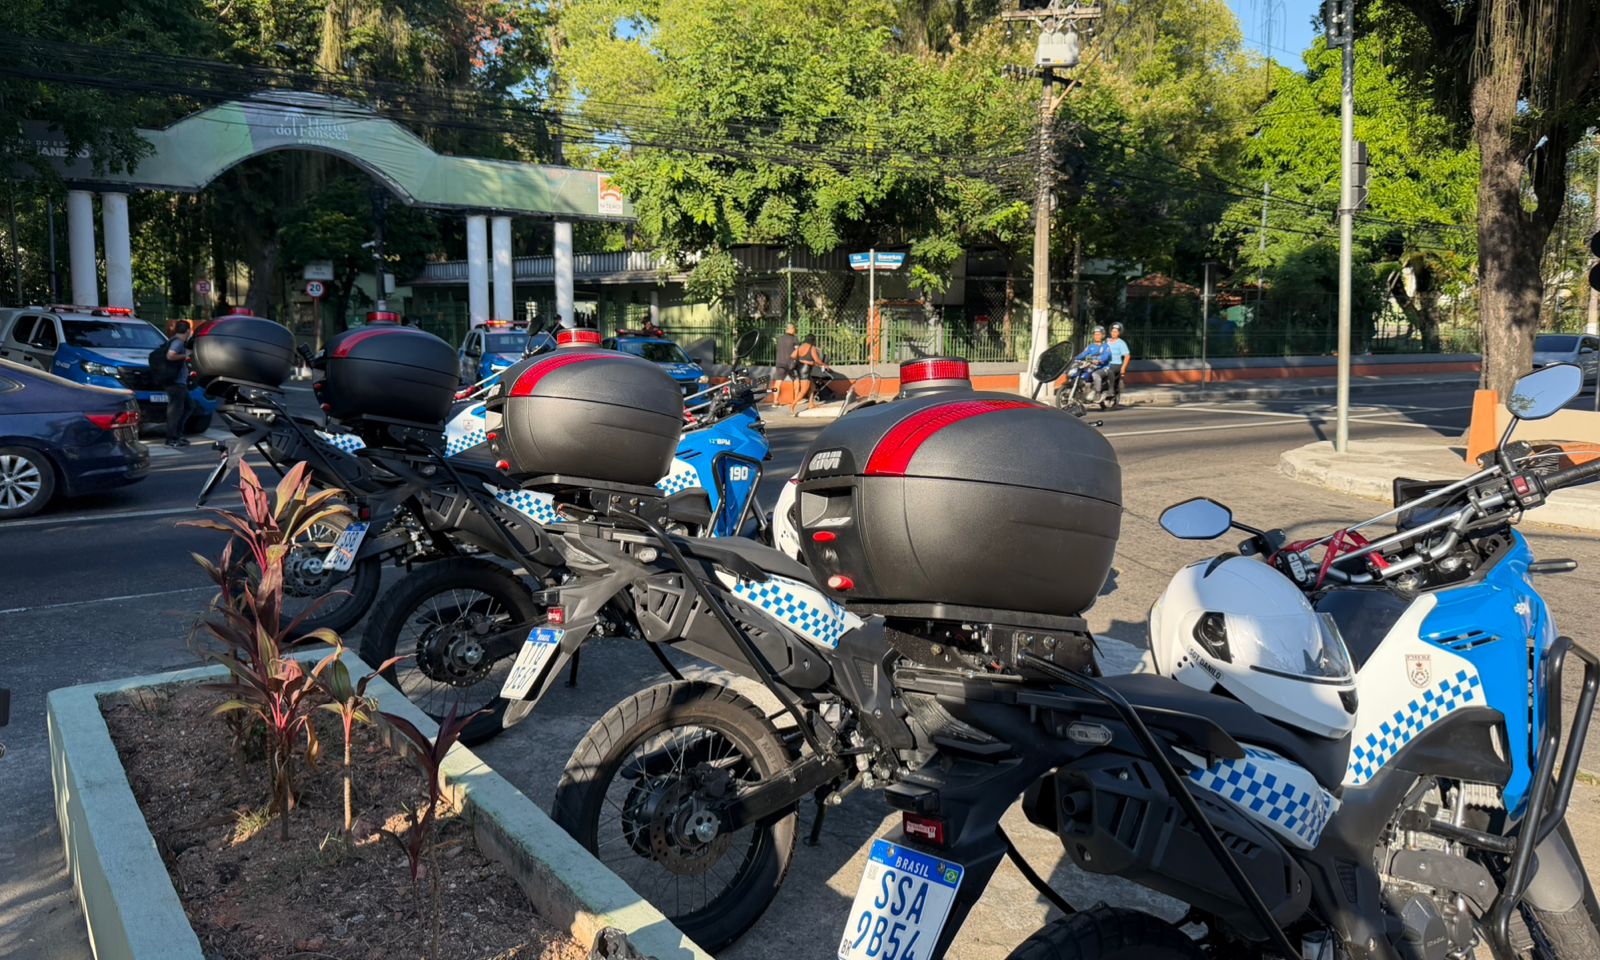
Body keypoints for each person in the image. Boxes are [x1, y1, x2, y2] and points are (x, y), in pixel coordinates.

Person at [163, 320, 194, 447]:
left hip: (178, 382)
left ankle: (178, 434)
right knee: (175, 412)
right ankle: (172, 438)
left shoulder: (173, 341)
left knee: (189, 406)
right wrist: (185, 356)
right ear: (187, 331)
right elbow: (170, 356)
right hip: (176, 383)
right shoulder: (177, 342)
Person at [789, 335, 825, 416]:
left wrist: (801, 360)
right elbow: (817, 360)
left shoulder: (800, 347)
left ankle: (811, 404)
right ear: (813, 340)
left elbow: (792, 356)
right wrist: (823, 364)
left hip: (799, 369)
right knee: (803, 391)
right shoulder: (812, 347)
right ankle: (792, 405)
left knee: (812, 387)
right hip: (806, 370)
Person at [1075, 326, 1113, 398]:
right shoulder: (1090, 347)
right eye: (1095, 334)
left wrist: (1098, 360)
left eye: (1098, 334)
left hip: (1103, 368)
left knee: (1095, 374)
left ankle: (1098, 393)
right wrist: (1075, 358)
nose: (1096, 336)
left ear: (1103, 335)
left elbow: (1106, 356)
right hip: (1092, 367)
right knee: (1081, 374)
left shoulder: (1106, 346)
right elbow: (1084, 354)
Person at [1106, 322, 1131, 406]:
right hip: (1105, 364)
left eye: (1116, 332)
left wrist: (1123, 368)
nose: (1114, 333)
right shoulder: (1107, 342)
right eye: (1112, 331)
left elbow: (1127, 356)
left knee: (1110, 371)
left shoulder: (1121, 343)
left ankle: (1111, 389)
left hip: (1116, 364)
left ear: (1119, 333)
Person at [772, 323, 798, 406]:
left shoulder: (780, 338)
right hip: (790, 363)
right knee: (796, 379)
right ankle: (796, 399)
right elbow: (797, 351)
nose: (795, 330)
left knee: (777, 382)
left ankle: (775, 401)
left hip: (780, 363)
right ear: (791, 329)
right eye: (794, 329)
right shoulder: (794, 338)